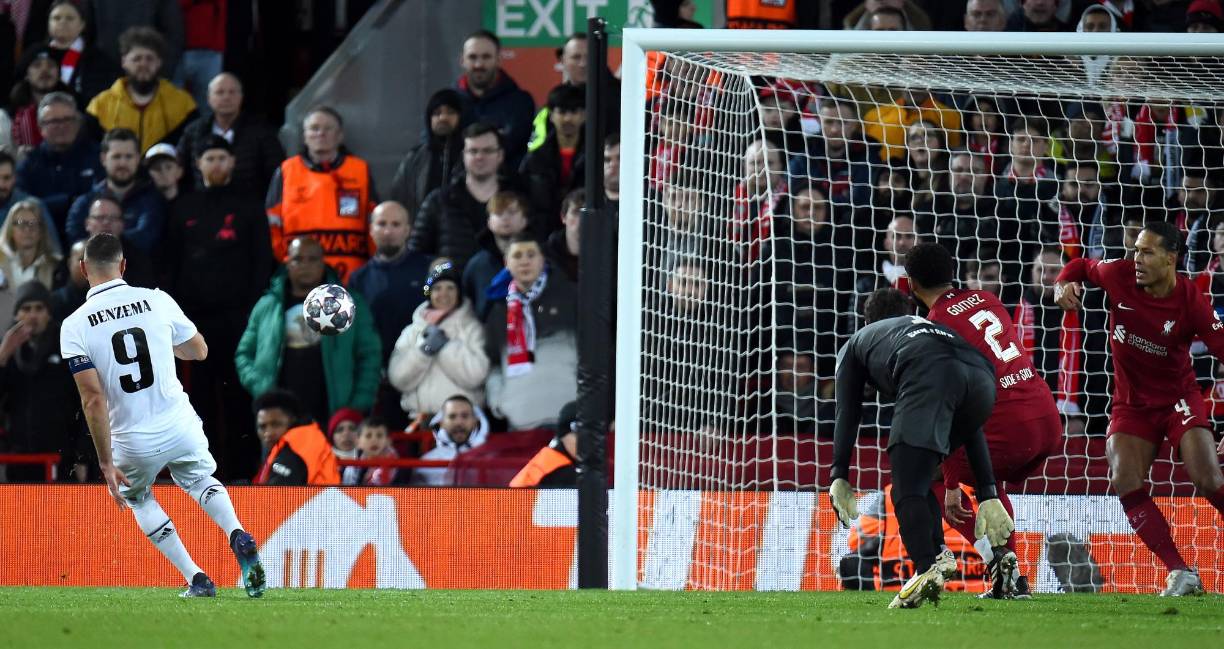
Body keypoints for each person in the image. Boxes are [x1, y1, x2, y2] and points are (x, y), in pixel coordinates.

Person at [59, 233, 265, 598]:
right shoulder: (156, 300)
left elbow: (92, 399)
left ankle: (197, 578)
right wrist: (159, 342)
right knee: (200, 480)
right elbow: (199, 351)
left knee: (138, 498)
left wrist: (105, 463)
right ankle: (237, 532)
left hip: (131, 437)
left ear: (82, 269)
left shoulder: (74, 325)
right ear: (123, 266)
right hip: (178, 424)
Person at [1054, 221, 1224, 596]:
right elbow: (1081, 265)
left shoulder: (1191, 301)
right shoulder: (1118, 275)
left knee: (1209, 481)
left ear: (1170, 259)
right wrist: (1061, 283)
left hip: (1178, 399)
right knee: (1124, 479)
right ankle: (1181, 572)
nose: (1137, 259)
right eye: (1135, 250)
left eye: (1147, 252)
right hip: (1131, 405)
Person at [828, 287, 1014, 609]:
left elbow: (848, 411)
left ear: (869, 321)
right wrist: (987, 492)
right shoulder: (935, 329)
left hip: (931, 375)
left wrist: (839, 474)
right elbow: (970, 428)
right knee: (925, 477)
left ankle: (929, 564)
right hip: (982, 377)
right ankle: (953, 553)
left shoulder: (860, 342)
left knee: (905, 487)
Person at [904, 242, 1063, 598]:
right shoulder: (988, 301)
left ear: (911, 284)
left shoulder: (934, 330)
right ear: (952, 275)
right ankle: (1011, 578)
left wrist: (949, 483)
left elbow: (948, 409)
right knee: (989, 479)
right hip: (1047, 419)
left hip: (1010, 427)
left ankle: (1002, 564)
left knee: (924, 476)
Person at [162, 134, 273, 480]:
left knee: (240, 397)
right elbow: (171, 265)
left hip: (239, 320)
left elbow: (262, 261)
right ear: (198, 164)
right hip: (196, 323)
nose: (216, 165)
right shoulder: (183, 206)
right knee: (198, 400)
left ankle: (244, 470)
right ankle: (201, 472)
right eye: (209, 159)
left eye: (222, 158)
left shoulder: (251, 206)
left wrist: (252, 313)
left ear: (233, 162)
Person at [234, 236, 381, 428]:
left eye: (312, 259)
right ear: (287, 263)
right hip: (279, 418)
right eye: (298, 259)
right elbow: (243, 354)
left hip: (335, 417)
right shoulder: (268, 306)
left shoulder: (349, 303)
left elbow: (370, 354)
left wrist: (358, 403)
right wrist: (261, 388)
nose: (305, 265)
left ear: (323, 263)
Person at [265, 105, 377, 284]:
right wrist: (288, 261)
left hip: (352, 277)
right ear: (305, 136)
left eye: (328, 128)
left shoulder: (360, 170)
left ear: (340, 135)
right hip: (299, 277)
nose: (321, 134)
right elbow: (271, 225)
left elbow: (375, 223)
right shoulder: (287, 171)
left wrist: (374, 265)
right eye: (314, 128)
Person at [484, 233, 578, 430]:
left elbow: (595, 354)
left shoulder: (571, 297)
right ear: (506, 263)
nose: (524, 261)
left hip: (569, 419)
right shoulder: (497, 311)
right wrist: (498, 400)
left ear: (543, 260)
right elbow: (492, 363)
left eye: (531, 254)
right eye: (517, 256)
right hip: (519, 422)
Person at [408, 121, 530, 268]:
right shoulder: (439, 201)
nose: (480, 157)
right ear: (463, 155)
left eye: (487, 151)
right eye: (473, 151)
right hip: (453, 287)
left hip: (509, 288)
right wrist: (439, 277)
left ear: (500, 155)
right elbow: (415, 255)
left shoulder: (521, 197)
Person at [0, 280, 80, 482]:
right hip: (19, 457)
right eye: (26, 309)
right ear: (16, 314)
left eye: (39, 308)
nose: (33, 315)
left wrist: (82, 456)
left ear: (49, 313)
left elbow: (83, 403)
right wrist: (2, 357)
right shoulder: (7, 350)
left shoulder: (66, 348)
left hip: (61, 457)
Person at [388, 262, 489, 420]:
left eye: (450, 288)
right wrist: (424, 351)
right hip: (421, 423)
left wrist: (445, 346)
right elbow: (398, 378)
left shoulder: (472, 328)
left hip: (463, 421)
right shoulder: (412, 331)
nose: (444, 294)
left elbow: (477, 375)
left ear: (459, 292)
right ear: (429, 293)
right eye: (437, 288)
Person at [87, 26, 197, 154]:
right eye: (137, 59)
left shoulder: (183, 104)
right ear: (124, 62)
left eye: (149, 58)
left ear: (159, 62)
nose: (143, 64)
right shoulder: (100, 105)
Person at [347, 201, 431, 366]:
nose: (388, 231)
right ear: (371, 230)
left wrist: (444, 265)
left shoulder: (427, 269)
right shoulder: (358, 279)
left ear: (407, 230)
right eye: (382, 224)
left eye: (396, 224)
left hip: (420, 367)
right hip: (376, 370)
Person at [175, 72, 284, 195]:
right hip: (201, 203)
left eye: (232, 92)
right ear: (209, 98)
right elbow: (179, 169)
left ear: (241, 97)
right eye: (220, 92)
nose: (226, 97)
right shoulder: (193, 131)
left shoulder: (262, 131)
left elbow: (277, 174)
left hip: (248, 204)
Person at [65, 128, 166, 255]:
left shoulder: (152, 201)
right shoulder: (84, 203)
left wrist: (100, 241)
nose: (123, 163)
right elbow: (77, 241)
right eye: (116, 157)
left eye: (128, 156)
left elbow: (145, 238)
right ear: (103, 159)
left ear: (137, 159)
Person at [16, 92, 103, 235]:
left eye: (68, 119)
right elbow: (24, 209)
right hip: (41, 238)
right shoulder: (29, 164)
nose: (62, 126)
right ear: (40, 127)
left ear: (78, 123)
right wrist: (68, 201)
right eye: (54, 121)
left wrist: (49, 204)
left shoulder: (98, 157)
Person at [455, 30, 535, 170]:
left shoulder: (520, 103)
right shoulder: (448, 103)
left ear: (498, 60)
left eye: (486, 57)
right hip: (457, 187)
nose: (479, 64)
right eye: (472, 57)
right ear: (462, 60)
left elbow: (519, 154)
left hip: (507, 187)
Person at [390, 88, 465, 218]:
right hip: (421, 232)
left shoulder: (471, 155)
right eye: (436, 113)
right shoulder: (416, 158)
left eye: (451, 112)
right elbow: (399, 198)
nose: (443, 117)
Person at [28, 0, 119, 106]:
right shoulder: (34, 54)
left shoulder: (97, 59)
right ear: (48, 23)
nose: (62, 22)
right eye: (56, 18)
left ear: (82, 25)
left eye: (69, 18)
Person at [520, 83, 585, 223]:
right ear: (550, 115)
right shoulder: (535, 159)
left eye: (574, 112)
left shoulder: (599, 157)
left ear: (584, 115)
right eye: (561, 112)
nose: (567, 118)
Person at [462, 190, 533, 319]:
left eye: (511, 212)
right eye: (499, 213)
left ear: (524, 220)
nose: (505, 218)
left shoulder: (539, 261)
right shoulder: (477, 265)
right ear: (489, 222)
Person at [251, 388, 340, 486]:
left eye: (276, 424)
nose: (268, 433)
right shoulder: (308, 434)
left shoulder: (293, 450)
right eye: (262, 427)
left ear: (292, 421)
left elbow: (275, 498)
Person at [0, 199, 62, 331]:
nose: (28, 229)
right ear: (11, 229)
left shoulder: (56, 266)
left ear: (41, 230)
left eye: (33, 223)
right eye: (21, 224)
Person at [413, 395, 490, 487]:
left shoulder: (492, 458)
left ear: (475, 421)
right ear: (441, 423)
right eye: (452, 416)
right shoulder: (425, 463)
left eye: (465, 416)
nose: (459, 422)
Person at [9, 45, 71, 150]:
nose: (44, 70)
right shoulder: (10, 114)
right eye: (37, 65)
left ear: (59, 74)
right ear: (26, 75)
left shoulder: (73, 108)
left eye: (51, 65)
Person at [341, 416, 399, 486]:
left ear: (388, 441)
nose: (374, 440)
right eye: (368, 436)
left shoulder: (395, 463)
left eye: (379, 436)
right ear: (358, 441)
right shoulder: (352, 465)